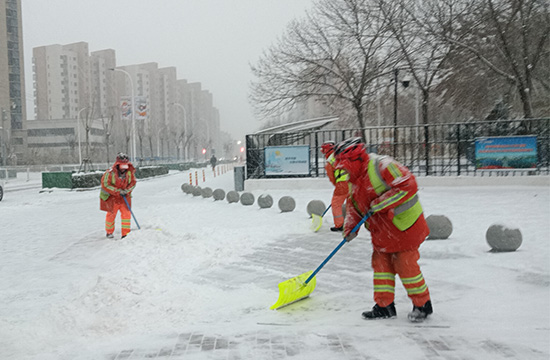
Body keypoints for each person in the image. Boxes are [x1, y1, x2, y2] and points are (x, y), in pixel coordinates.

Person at [334, 138, 433, 322]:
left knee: (405, 266)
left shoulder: (383, 165)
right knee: (381, 268)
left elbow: (408, 185)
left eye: (345, 166)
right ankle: (384, 306)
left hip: (404, 227)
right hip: (382, 231)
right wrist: (350, 227)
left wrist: (380, 203)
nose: (343, 170)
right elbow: (355, 206)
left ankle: (422, 305)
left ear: (357, 160)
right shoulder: (354, 180)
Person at [99, 153, 137, 239]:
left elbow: (133, 183)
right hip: (112, 198)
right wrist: (117, 191)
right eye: (122, 165)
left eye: (125, 165)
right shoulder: (109, 173)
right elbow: (105, 184)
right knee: (111, 215)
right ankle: (109, 232)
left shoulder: (130, 173)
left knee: (126, 215)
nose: (124, 167)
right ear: (118, 164)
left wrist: (127, 191)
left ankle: (125, 234)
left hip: (125, 198)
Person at [320, 141, 349, 231]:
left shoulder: (330, 162)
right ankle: (351, 223)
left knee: (336, 204)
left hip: (342, 184)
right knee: (350, 204)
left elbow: (332, 178)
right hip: (352, 181)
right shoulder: (342, 156)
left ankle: (339, 225)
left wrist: (337, 185)